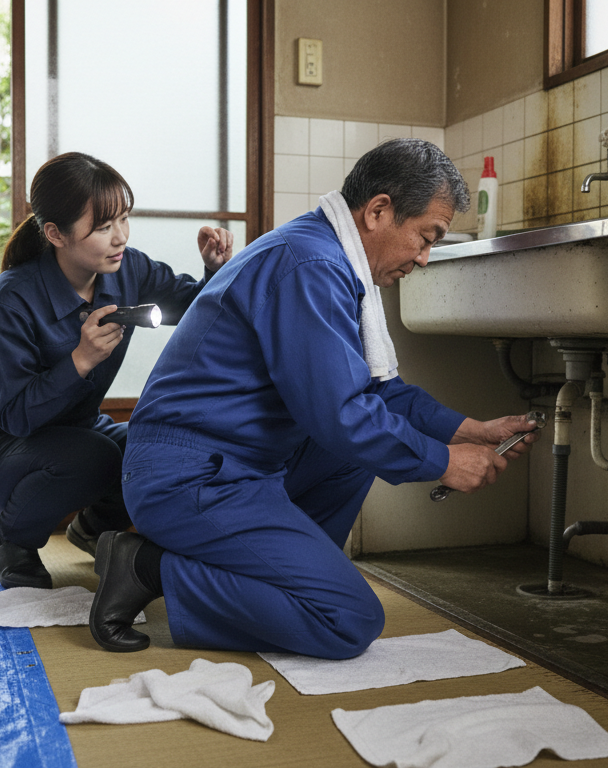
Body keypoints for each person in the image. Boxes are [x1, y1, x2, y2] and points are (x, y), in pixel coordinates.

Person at [88, 138, 542, 655]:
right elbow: (342, 415)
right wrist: (443, 462)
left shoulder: (324, 252)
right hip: (190, 475)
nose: (424, 258)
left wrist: (471, 432)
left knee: (349, 458)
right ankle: (147, 567)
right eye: (425, 237)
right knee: (347, 619)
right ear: (378, 211)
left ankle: (284, 577)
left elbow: (376, 394)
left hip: (230, 462)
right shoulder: (312, 266)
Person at [0, 151, 234, 589]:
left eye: (123, 218)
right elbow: (16, 417)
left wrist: (214, 270)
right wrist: (80, 360)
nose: (119, 236)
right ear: (55, 234)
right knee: (97, 456)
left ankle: (92, 528)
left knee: (156, 446)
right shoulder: (8, 300)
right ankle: (13, 542)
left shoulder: (129, 268)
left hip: (79, 430)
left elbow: (195, 307)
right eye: (103, 227)